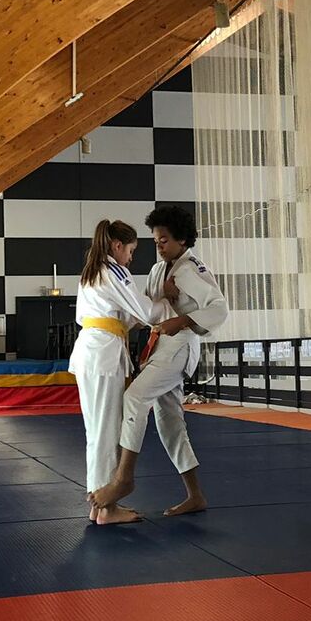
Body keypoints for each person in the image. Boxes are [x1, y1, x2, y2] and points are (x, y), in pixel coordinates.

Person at [91, 205, 228, 517]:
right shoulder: (157, 271)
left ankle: (123, 479)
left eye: (164, 241)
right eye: (155, 241)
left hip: (180, 346)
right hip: (160, 347)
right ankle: (195, 495)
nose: (159, 246)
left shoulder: (191, 269)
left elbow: (219, 308)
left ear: (182, 240)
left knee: (135, 398)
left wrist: (182, 320)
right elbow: (144, 311)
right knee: (169, 422)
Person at [69, 219, 190, 525]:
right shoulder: (113, 270)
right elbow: (145, 312)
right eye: (131, 251)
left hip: (96, 351)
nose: (131, 258)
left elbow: (129, 316)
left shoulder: (94, 270)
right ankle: (106, 507)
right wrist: (168, 301)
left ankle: (99, 503)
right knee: (106, 431)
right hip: (103, 355)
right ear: (117, 245)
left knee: (98, 430)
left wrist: (156, 300)